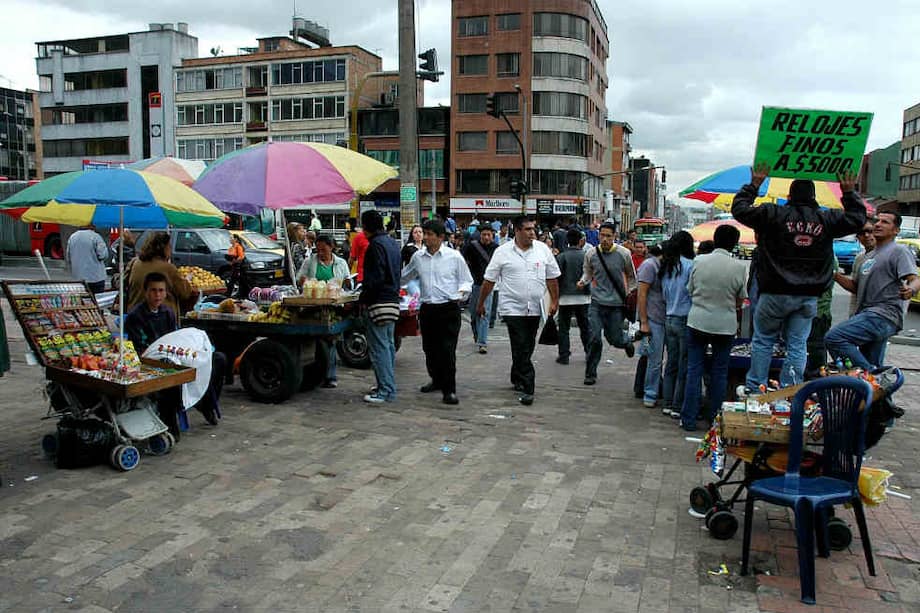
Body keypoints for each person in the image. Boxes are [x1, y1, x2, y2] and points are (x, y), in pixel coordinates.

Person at [732, 165, 865, 391]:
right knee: (797, 344)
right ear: (813, 197)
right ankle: (789, 390)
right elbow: (857, 218)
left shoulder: (773, 213)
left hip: (774, 291)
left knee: (764, 341)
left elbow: (740, 209)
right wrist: (848, 191)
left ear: (789, 196)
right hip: (808, 295)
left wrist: (755, 184)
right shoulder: (827, 218)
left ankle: (756, 389)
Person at [124, 272, 225, 433]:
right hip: (151, 361)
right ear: (145, 292)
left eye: (161, 291)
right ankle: (171, 423)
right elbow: (141, 349)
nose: (157, 295)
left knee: (218, 359)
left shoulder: (168, 312)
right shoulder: (136, 316)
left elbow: (176, 339)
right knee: (171, 371)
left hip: (175, 355)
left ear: (166, 292)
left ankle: (205, 403)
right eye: (153, 290)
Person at [477, 216, 560, 406]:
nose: (533, 233)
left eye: (534, 229)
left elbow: (552, 277)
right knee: (520, 343)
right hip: (512, 308)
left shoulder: (543, 250)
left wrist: (555, 301)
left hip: (535, 307)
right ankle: (528, 387)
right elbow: (489, 280)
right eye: (528, 229)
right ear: (517, 231)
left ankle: (517, 375)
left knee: (527, 345)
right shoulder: (502, 252)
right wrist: (481, 303)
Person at [825, 212, 919, 371]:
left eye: (885, 222)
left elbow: (914, 278)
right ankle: (879, 389)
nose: (878, 224)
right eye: (877, 221)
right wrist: (833, 274)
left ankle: (874, 378)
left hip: (883, 315)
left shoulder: (898, 251)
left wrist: (910, 289)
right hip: (867, 314)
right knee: (873, 363)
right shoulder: (868, 257)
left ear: (896, 230)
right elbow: (856, 288)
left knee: (834, 338)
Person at [680, 225, 747, 431]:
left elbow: (690, 290)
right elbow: (740, 298)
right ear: (734, 244)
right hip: (724, 325)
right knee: (719, 373)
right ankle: (714, 419)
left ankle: (689, 418)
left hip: (697, 320)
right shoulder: (738, 267)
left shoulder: (699, 261)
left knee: (694, 370)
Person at [402, 220, 473, 405]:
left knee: (447, 350)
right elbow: (405, 276)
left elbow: (467, 281)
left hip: (448, 308)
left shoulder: (454, 257)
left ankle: (449, 390)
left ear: (441, 237)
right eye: (423, 233)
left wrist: (460, 295)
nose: (425, 237)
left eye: (429, 234)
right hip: (427, 310)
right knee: (430, 349)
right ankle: (436, 379)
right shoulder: (418, 257)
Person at [578, 222, 637, 386]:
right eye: (602, 235)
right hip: (596, 302)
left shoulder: (624, 254)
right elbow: (587, 273)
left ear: (614, 237)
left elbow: (632, 277)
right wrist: (583, 282)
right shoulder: (591, 254)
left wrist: (631, 292)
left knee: (614, 339)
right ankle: (590, 373)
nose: (604, 239)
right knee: (594, 338)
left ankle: (626, 342)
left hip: (616, 304)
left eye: (608, 236)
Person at [359, 210, 402, 404]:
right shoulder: (392, 243)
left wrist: (362, 298)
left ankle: (386, 390)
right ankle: (387, 384)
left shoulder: (375, 246)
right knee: (389, 345)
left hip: (378, 302)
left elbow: (375, 278)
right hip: (392, 300)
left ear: (366, 226)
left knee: (380, 348)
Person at [660, 231, 695, 419]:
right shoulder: (691, 266)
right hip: (684, 318)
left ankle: (667, 402)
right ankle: (677, 405)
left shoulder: (667, 266)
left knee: (671, 363)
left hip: (669, 318)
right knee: (684, 364)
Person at [126, 232, 195, 315]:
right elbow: (184, 293)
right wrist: (186, 280)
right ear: (164, 248)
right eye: (169, 246)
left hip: (135, 314)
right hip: (160, 318)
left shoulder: (135, 263)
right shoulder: (168, 268)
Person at [555, 228, 592, 365]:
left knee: (564, 328)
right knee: (585, 327)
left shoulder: (561, 257)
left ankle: (564, 355)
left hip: (565, 297)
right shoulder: (586, 255)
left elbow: (557, 277)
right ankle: (589, 353)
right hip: (583, 297)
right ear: (580, 240)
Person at [635, 240, 666, 407]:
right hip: (653, 318)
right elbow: (642, 294)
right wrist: (644, 321)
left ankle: (658, 391)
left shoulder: (668, 266)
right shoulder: (650, 266)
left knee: (652, 357)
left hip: (666, 317)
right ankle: (650, 393)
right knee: (654, 359)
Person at [462, 224, 498, 354]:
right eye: (484, 234)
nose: (487, 237)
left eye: (489, 235)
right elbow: (462, 261)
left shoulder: (496, 248)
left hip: (489, 285)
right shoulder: (471, 247)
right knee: (473, 314)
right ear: (480, 235)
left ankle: (482, 343)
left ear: (493, 235)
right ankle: (478, 336)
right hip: (474, 285)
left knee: (484, 313)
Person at [835, 219, 877, 317]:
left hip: (876, 316)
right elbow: (855, 287)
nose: (866, 235)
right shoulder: (859, 258)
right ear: (857, 237)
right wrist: (834, 275)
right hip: (858, 314)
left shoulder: (886, 255)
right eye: (862, 233)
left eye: (870, 231)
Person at [66, 224, 109, 294]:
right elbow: (103, 255)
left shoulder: (72, 237)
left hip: (78, 277)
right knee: (97, 301)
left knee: (83, 302)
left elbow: (68, 257)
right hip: (95, 277)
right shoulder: (96, 237)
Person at [225, 233, 246, 298]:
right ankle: (237, 294)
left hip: (237, 267)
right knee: (236, 281)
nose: (230, 240)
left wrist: (235, 260)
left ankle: (229, 295)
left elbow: (241, 256)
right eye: (230, 238)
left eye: (231, 238)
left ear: (235, 239)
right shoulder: (231, 247)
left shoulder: (238, 247)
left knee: (233, 281)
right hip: (233, 266)